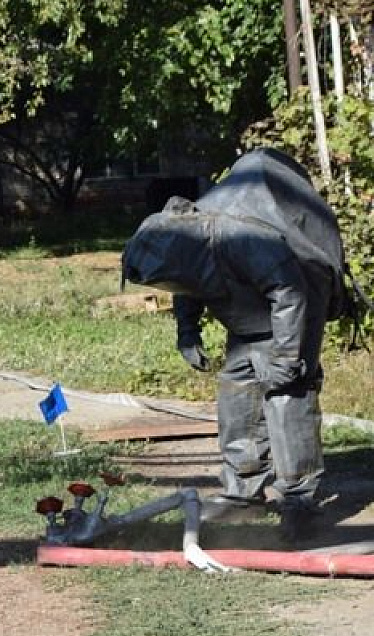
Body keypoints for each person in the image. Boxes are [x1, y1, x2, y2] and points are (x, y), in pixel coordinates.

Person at [121, 148, 340, 541]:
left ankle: (298, 499)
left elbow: (289, 295)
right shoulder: (186, 247)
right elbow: (186, 283)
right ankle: (244, 491)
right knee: (237, 398)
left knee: (287, 398)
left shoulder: (244, 239)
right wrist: (187, 331)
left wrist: (288, 357)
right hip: (247, 321)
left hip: (294, 310)